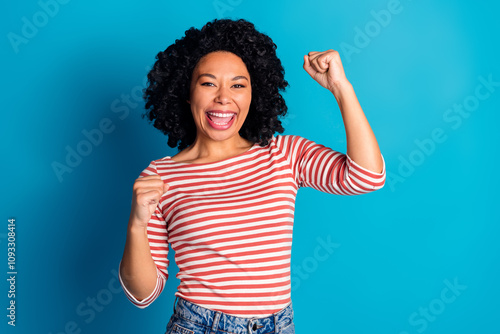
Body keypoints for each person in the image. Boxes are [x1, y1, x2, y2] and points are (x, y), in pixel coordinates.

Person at [119, 18, 385, 334]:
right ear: (186, 93)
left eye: (238, 84)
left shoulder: (285, 154)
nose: (223, 97)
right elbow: (143, 294)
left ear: (253, 94)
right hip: (199, 326)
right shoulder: (162, 176)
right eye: (207, 83)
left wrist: (341, 88)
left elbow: (366, 177)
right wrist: (136, 224)